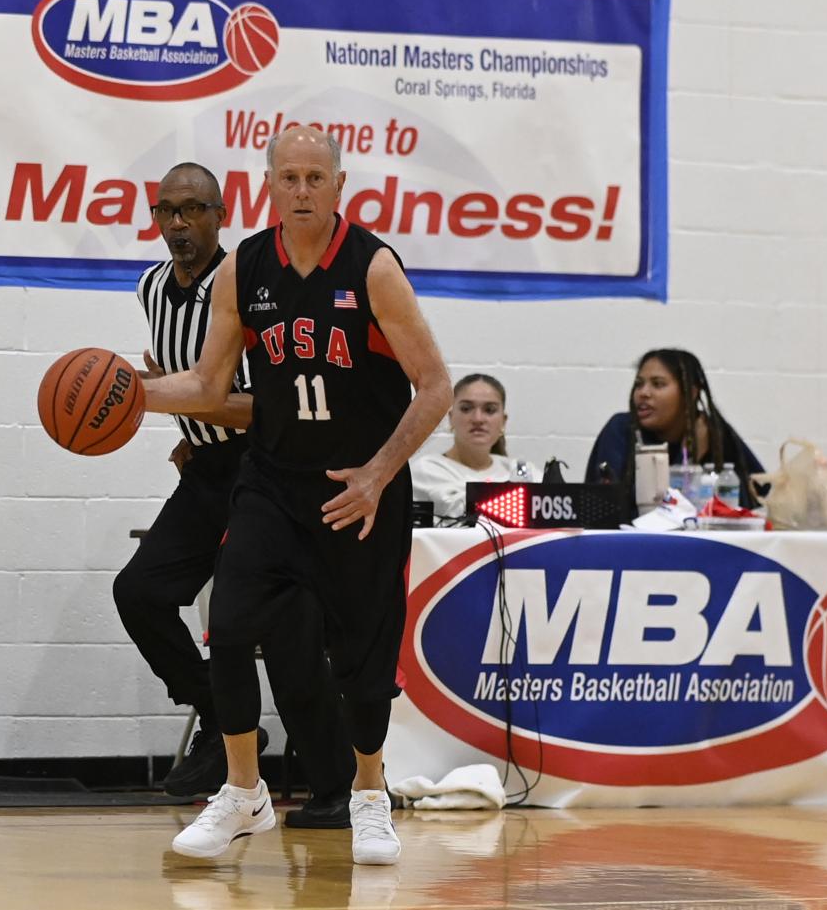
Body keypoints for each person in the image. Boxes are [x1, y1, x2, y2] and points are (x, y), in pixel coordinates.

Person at [141, 128, 452, 866]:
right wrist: (133, 395)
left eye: (316, 177)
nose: (303, 190)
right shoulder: (244, 267)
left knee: (361, 662)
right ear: (269, 186)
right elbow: (209, 385)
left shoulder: (372, 266)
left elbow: (435, 385)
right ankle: (243, 793)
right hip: (272, 483)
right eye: (290, 177)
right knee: (229, 627)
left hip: (357, 488)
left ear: (340, 185)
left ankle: (369, 797)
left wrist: (378, 472)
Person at [113, 162, 356, 828]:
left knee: (279, 630)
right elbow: (185, 380)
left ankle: (335, 786)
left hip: (268, 471)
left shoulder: (248, 284)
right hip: (206, 472)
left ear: (221, 216)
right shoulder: (151, 286)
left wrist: (184, 406)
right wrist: (190, 429)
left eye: (194, 209)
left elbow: (260, 404)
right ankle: (220, 719)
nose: (179, 223)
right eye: (167, 210)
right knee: (139, 591)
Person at [584, 348, 764, 510]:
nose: (643, 393)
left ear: (690, 393)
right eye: (639, 384)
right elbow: (611, 510)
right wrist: (688, 460)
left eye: (658, 384)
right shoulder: (622, 429)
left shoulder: (712, 433)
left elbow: (762, 494)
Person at [411, 373, 538, 521]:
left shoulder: (522, 470)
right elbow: (457, 509)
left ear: (503, 421)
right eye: (466, 409)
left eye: (489, 410)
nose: (478, 419)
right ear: (451, 418)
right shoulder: (426, 470)